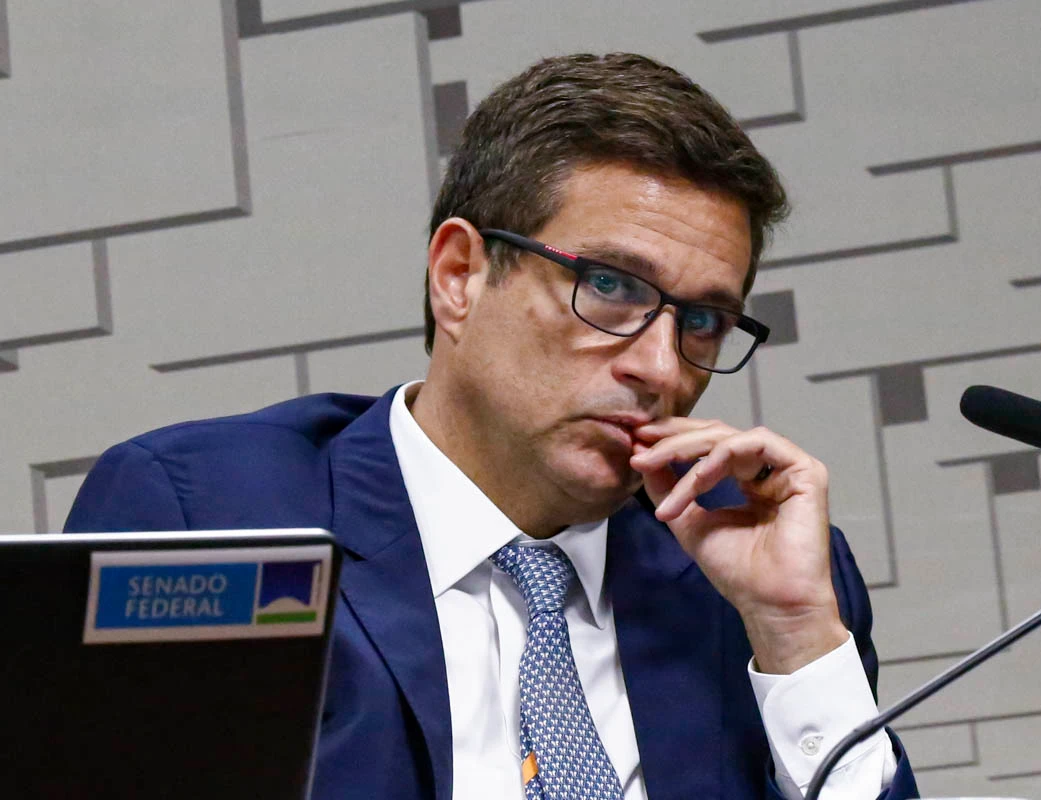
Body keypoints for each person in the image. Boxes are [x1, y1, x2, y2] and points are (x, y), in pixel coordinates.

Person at [65, 53, 918, 799]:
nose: (661, 369)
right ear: (460, 276)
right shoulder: (211, 520)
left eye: (701, 321)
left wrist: (796, 632)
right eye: (610, 286)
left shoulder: (753, 579)